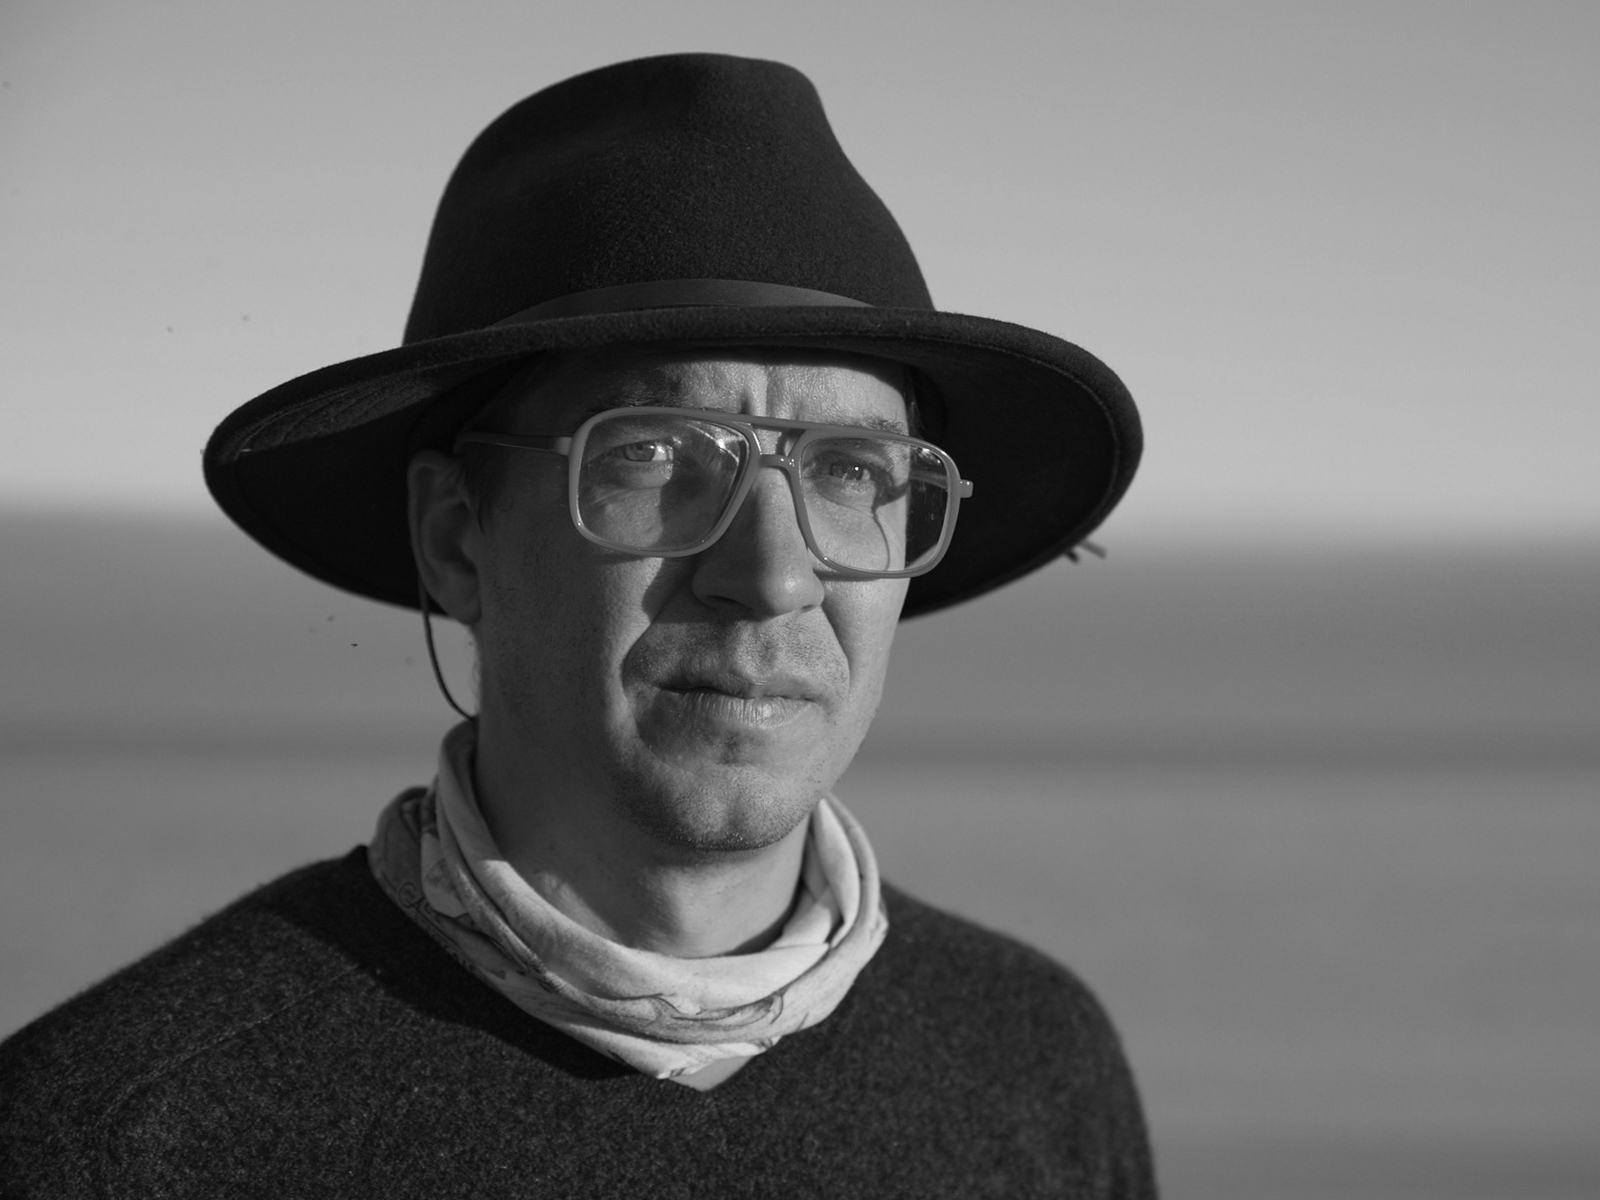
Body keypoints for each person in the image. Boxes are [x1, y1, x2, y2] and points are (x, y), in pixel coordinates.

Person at [0, 53, 1151, 1196]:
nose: (774, 575)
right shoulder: (117, 1137)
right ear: (458, 539)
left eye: (852, 470)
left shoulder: (1033, 1065)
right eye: (655, 455)